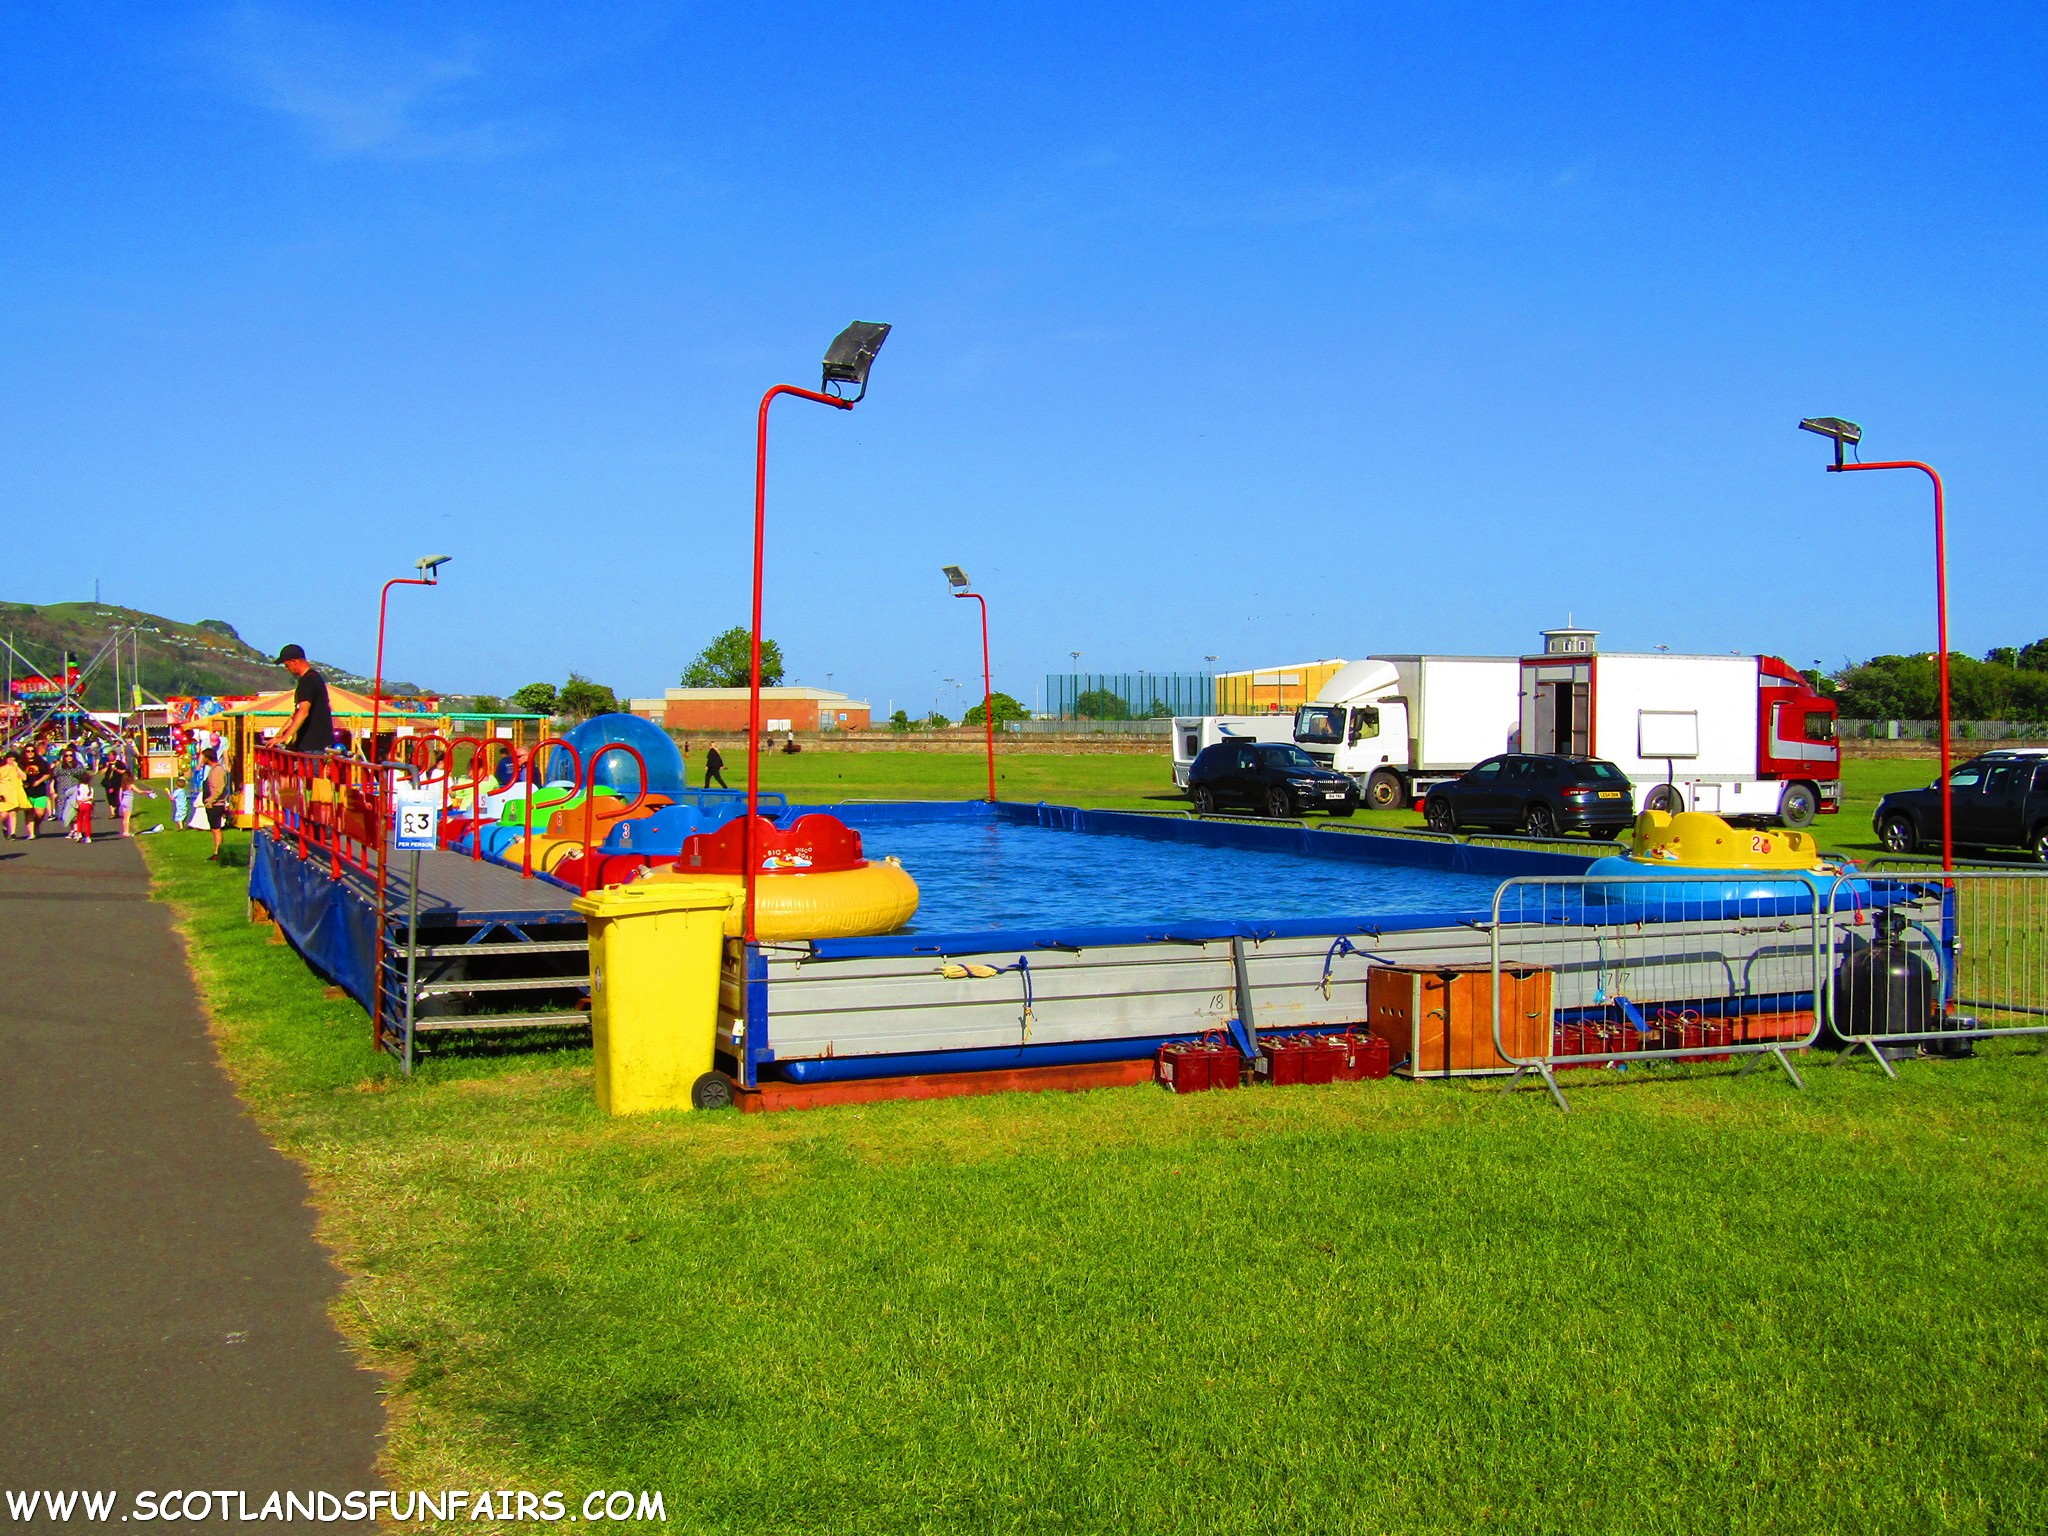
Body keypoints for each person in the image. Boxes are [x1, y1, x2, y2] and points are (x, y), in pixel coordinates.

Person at [273, 644, 336, 755]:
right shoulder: (313, 678)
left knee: (310, 772)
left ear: (294, 662)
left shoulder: (308, 681)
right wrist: (281, 732)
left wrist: (286, 737)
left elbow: (303, 712)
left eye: (287, 665)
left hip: (314, 744)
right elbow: (297, 712)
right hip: (312, 743)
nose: (286, 669)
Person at [200, 747, 231, 861]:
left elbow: (219, 788)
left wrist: (210, 800)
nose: (202, 760)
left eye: (203, 757)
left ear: (208, 758)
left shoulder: (218, 770)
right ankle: (217, 851)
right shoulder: (213, 769)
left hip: (216, 804)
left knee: (216, 829)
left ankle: (218, 853)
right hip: (212, 803)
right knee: (214, 829)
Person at [22, 752, 53, 838]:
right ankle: (31, 833)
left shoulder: (41, 762)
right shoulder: (22, 763)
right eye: (27, 751)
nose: (30, 753)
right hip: (27, 791)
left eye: (32, 751)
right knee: (29, 813)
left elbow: (48, 773)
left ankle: (36, 826)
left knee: (40, 813)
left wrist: (39, 781)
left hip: (40, 791)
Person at [102, 756, 134, 838]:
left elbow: (124, 771)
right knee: (110, 798)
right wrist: (107, 766)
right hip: (108, 783)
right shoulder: (107, 763)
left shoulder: (119, 763)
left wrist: (115, 769)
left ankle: (116, 811)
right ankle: (112, 813)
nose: (110, 758)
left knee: (115, 797)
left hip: (117, 782)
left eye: (111, 756)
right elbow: (102, 772)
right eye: (109, 756)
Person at [0, 752, 25, 839]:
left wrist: (17, 767)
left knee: (13, 813)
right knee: (4, 815)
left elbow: (24, 777)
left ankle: (13, 833)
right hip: (3, 792)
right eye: (10, 759)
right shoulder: (2, 769)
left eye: (14, 760)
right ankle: (4, 825)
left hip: (14, 792)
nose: (11, 761)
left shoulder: (17, 769)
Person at [67, 775, 94, 843]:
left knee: (79, 819)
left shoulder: (78, 787)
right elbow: (91, 797)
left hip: (81, 805)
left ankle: (79, 833)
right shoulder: (90, 788)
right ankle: (88, 837)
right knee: (87, 821)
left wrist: (80, 801)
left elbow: (78, 797)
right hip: (88, 805)